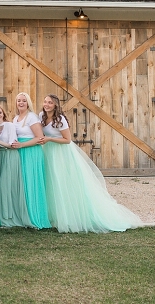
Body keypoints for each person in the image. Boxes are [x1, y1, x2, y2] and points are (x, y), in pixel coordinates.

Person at [40, 94, 142, 233]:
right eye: (45, 102)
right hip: (48, 153)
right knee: (52, 182)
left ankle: (70, 217)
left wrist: (50, 139)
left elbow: (67, 140)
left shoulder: (60, 119)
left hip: (61, 153)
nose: (46, 104)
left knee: (64, 183)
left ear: (55, 105)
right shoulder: (41, 116)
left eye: (50, 102)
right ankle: (54, 215)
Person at [0, 105, 33, 228]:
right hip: (1, 156)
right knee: (1, 186)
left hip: (11, 156)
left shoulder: (10, 126)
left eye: (0, 113)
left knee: (6, 186)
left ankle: (9, 217)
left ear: (3, 114)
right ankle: (3, 215)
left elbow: (12, 144)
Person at [11, 92, 51, 229]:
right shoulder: (15, 118)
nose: (21, 103)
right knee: (22, 184)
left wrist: (22, 145)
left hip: (31, 152)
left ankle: (36, 217)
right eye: (18, 100)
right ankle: (24, 215)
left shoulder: (32, 117)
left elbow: (39, 138)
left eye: (23, 100)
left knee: (32, 182)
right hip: (19, 153)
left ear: (28, 103)